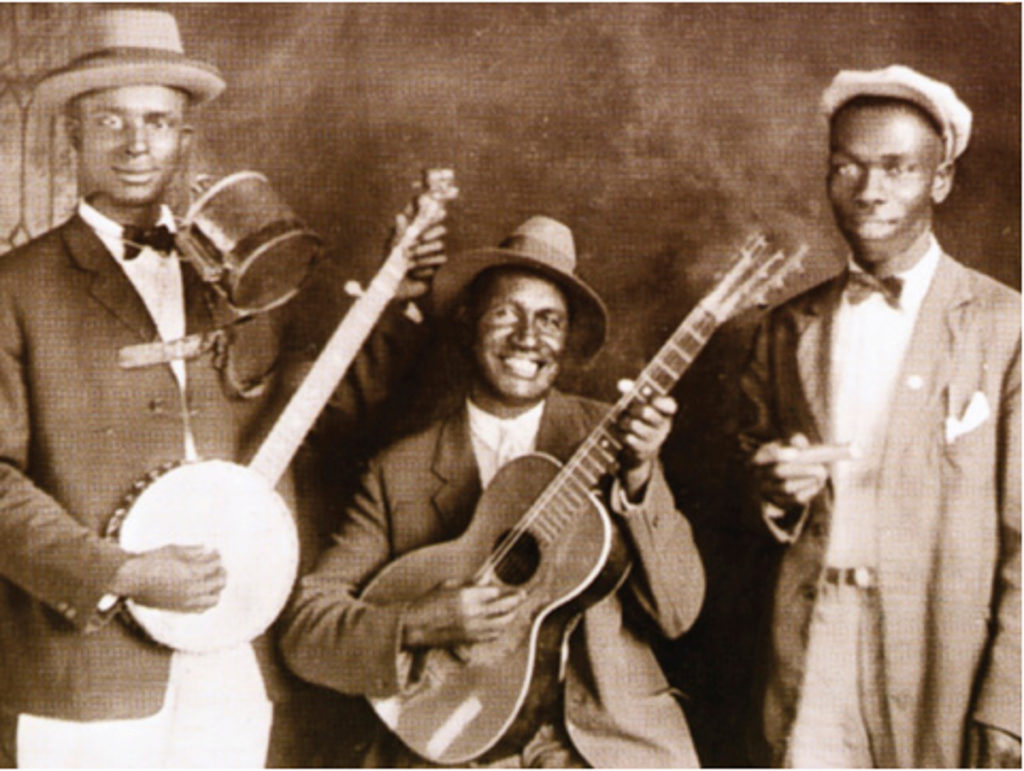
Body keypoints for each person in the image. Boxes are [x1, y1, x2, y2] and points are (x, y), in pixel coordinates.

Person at [0, 8, 445, 768]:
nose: (136, 144)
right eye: (110, 120)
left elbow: (314, 408)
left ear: (184, 138)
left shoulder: (239, 277)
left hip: (235, 659)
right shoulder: (16, 288)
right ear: (72, 135)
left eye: (158, 122)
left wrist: (397, 295)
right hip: (87, 675)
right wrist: (122, 572)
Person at [279, 215, 705, 767]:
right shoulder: (400, 471)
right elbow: (305, 633)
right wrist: (414, 624)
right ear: (466, 324)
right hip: (457, 742)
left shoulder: (613, 439)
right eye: (507, 313)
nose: (529, 338)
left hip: (604, 745)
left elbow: (677, 612)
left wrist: (641, 476)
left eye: (550, 320)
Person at [740, 64, 1020, 768]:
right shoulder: (784, 329)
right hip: (811, 645)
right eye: (848, 167)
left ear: (941, 178)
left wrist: (1011, 700)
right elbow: (738, 513)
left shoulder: (1008, 327)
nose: (870, 190)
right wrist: (774, 496)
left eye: (897, 168)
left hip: (942, 660)